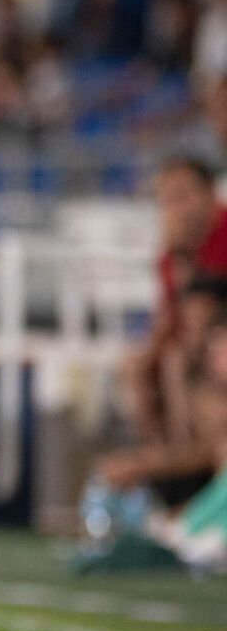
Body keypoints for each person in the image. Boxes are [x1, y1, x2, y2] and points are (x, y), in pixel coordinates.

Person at [128, 157, 227, 445]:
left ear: (209, 192)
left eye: (183, 196)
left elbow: (201, 302)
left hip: (215, 338)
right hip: (198, 340)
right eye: (168, 199)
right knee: (139, 366)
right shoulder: (173, 249)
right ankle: (160, 454)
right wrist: (145, 357)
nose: (176, 207)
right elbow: (169, 315)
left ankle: (187, 455)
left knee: (176, 361)